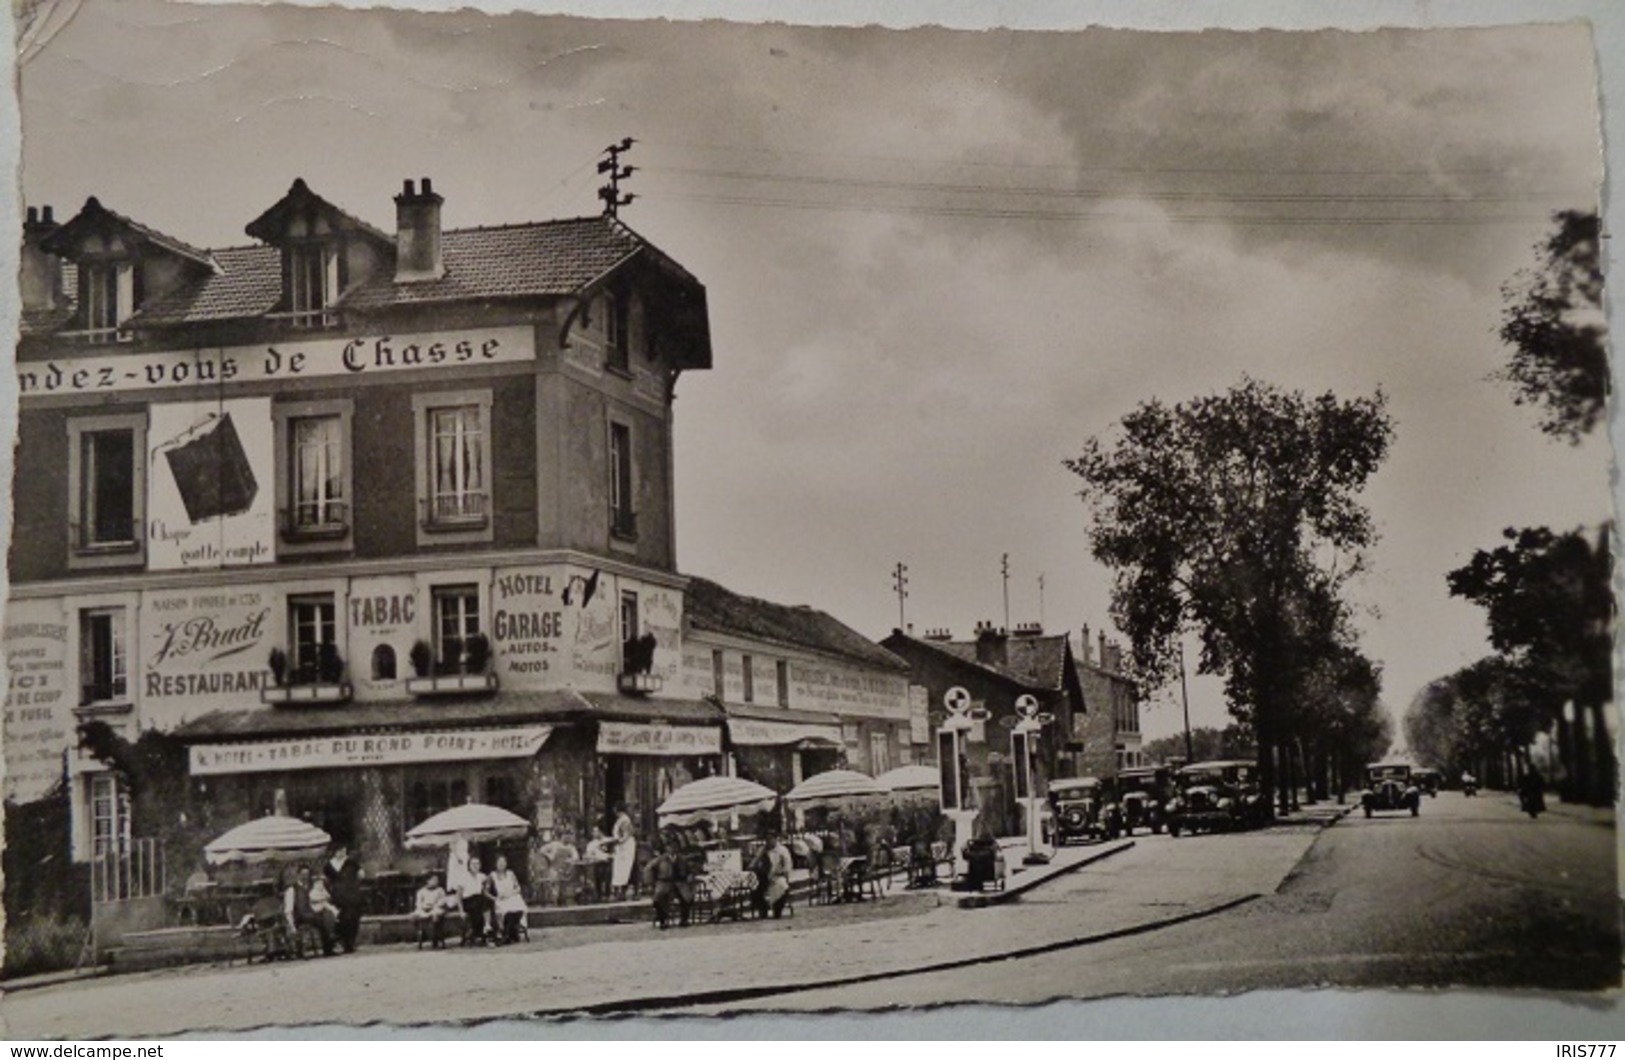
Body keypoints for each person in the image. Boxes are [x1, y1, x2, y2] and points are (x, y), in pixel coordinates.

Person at [283, 865, 336, 957]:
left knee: (328, 915)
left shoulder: (314, 887)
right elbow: (289, 909)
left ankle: (329, 945)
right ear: (298, 875)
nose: (305, 877)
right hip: (300, 917)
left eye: (307, 874)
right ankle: (329, 943)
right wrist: (292, 926)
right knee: (322, 919)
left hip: (314, 913)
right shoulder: (292, 890)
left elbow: (324, 897)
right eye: (303, 874)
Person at [323, 844, 365, 954]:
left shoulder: (351, 862)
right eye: (339, 850)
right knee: (343, 918)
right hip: (338, 896)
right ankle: (342, 942)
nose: (342, 853)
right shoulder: (329, 866)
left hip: (352, 894)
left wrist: (354, 883)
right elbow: (326, 881)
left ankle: (350, 943)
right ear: (334, 851)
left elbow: (361, 874)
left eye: (343, 850)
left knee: (353, 918)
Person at [646, 838, 692, 928]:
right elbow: (649, 868)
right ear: (667, 848)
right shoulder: (660, 859)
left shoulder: (682, 859)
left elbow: (690, 869)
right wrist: (651, 882)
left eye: (674, 847)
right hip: (664, 883)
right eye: (670, 847)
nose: (672, 849)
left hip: (680, 883)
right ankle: (663, 920)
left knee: (686, 899)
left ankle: (684, 919)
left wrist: (690, 876)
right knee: (658, 900)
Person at [751, 833, 794, 920]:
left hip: (778, 876)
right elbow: (754, 862)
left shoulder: (782, 851)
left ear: (775, 839)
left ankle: (777, 909)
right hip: (764, 877)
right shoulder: (762, 850)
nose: (769, 842)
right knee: (755, 889)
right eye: (767, 840)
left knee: (781, 886)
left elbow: (787, 865)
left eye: (771, 839)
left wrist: (784, 874)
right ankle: (763, 908)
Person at [490, 854, 527, 944]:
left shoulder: (511, 874)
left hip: (512, 896)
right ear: (496, 864)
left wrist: (511, 893)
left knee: (518, 908)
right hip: (501, 899)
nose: (501, 864)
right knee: (505, 911)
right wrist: (494, 898)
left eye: (503, 862)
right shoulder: (492, 875)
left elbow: (518, 888)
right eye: (499, 862)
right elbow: (485, 891)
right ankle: (507, 932)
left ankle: (511, 931)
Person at [459, 855, 495, 945]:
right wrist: (461, 911)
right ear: (469, 865)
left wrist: (488, 884)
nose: (475, 866)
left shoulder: (482, 876)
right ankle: (486, 927)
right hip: (468, 901)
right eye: (473, 864)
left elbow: (488, 884)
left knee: (486, 901)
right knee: (481, 899)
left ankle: (487, 927)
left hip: (480, 902)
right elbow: (458, 896)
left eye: (477, 864)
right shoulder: (463, 877)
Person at [539, 830, 580, 906]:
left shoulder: (571, 847)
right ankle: (554, 902)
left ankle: (564, 902)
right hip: (554, 869)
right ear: (561, 836)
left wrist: (570, 861)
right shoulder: (554, 844)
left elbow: (576, 858)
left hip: (566, 870)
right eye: (565, 835)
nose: (567, 838)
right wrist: (549, 855)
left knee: (565, 888)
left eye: (568, 836)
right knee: (554, 885)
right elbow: (542, 850)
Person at [413, 873, 449, 949]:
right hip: (424, 909)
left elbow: (442, 901)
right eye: (433, 880)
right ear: (428, 881)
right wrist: (424, 907)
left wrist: (434, 906)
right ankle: (422, 935)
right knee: (414, 916)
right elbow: (418, 903)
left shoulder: (440, 890)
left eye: (436, 880)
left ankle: (434, 938)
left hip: (436, 908)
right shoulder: (421, 891)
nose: (436, 881)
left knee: (436, 916)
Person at [609, 803, 638, 900]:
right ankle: (619, 889)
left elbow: (627, 834)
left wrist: (619, 841)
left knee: (624, 867)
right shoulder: (620, 820)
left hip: (626, 846)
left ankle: (623, 889)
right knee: (618, 868)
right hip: (621, 846)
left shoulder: (625, 820)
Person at [582, 827, 613, 902]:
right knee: (598, 872)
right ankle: (599, 894)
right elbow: (588, 855)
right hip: (597, 862)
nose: (595, 833)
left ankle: (607, 894)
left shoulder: (609, 841)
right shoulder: (591, 844)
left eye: (596, 831)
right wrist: (593, 857)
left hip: (609, 861)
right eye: (594, 832)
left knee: (608, 871)